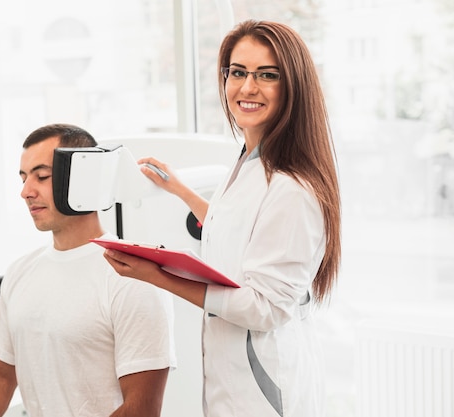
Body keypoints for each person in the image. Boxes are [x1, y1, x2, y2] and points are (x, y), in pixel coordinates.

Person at [102, 20, 341, 417]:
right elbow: (241, 229)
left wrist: (158, 276)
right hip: (232, 375)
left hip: (263, 386)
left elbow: (267, 308)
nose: (248, 87)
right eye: (238, 72)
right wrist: (182, 191)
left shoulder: (293, 188)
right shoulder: (252, 159)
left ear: (293, 86)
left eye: (267, 75)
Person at [0, 123, 176, 417]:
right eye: (23, 178)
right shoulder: (21, 272)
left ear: (83, 178)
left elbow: (141, 410)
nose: (25, 191)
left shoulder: (133, 278)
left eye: (42, 176)